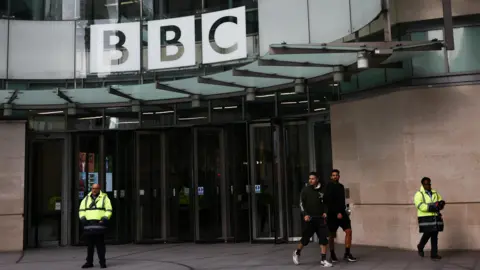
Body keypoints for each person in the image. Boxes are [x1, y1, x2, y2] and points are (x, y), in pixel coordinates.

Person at [292, 172, 333, 268]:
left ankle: (323, 260)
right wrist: (305, 214)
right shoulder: (305, 190)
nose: (311, 180)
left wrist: (325, 212)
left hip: (321, 218)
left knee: (324, 239)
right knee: (305, 239)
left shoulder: (323, 190)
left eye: (313, 178)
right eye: (309, 178)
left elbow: (326, 203)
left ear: (317, 179)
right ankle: (297, 253)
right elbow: (301, 204)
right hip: (310, 218)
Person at [324, 169, 357, 263]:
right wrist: (336, 212)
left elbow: (342, 201)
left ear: (339, 176)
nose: (335, 177)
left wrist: (343, 211)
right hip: (332, 214)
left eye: (336, 175)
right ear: (331, 177)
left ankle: (347, 253)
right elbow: (328, 201)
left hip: (342, 213)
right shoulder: (328, 187)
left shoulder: (341, 186)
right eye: (333, 175)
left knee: (349, 231)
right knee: (332, 235)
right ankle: (332, 254)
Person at [79, 184, 113, 269]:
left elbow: (109, 210)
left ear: (99, 189)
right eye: (93, 188)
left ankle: (102, 262)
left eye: (96, 188)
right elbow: (81, 210)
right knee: (89, 245)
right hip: (89, 225)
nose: (94, 190)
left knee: (100, 245)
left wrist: (104, 219)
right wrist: (83, 219)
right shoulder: (86, 198)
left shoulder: (105, 198)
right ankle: (89, 262)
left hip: (99, 225)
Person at [414, 177, 445, 260]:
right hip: (425, 218)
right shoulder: (418, 194)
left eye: (429, 183)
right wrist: (433, 206)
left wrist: (441, 203)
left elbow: (440, 200)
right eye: (426, 184)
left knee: (435, 235)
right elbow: (420, 206)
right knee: (427, 233)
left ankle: (434, 254)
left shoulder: (435, 192)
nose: (428, 185)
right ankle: (420, 246)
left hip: (435, 216)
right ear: (423, 184)